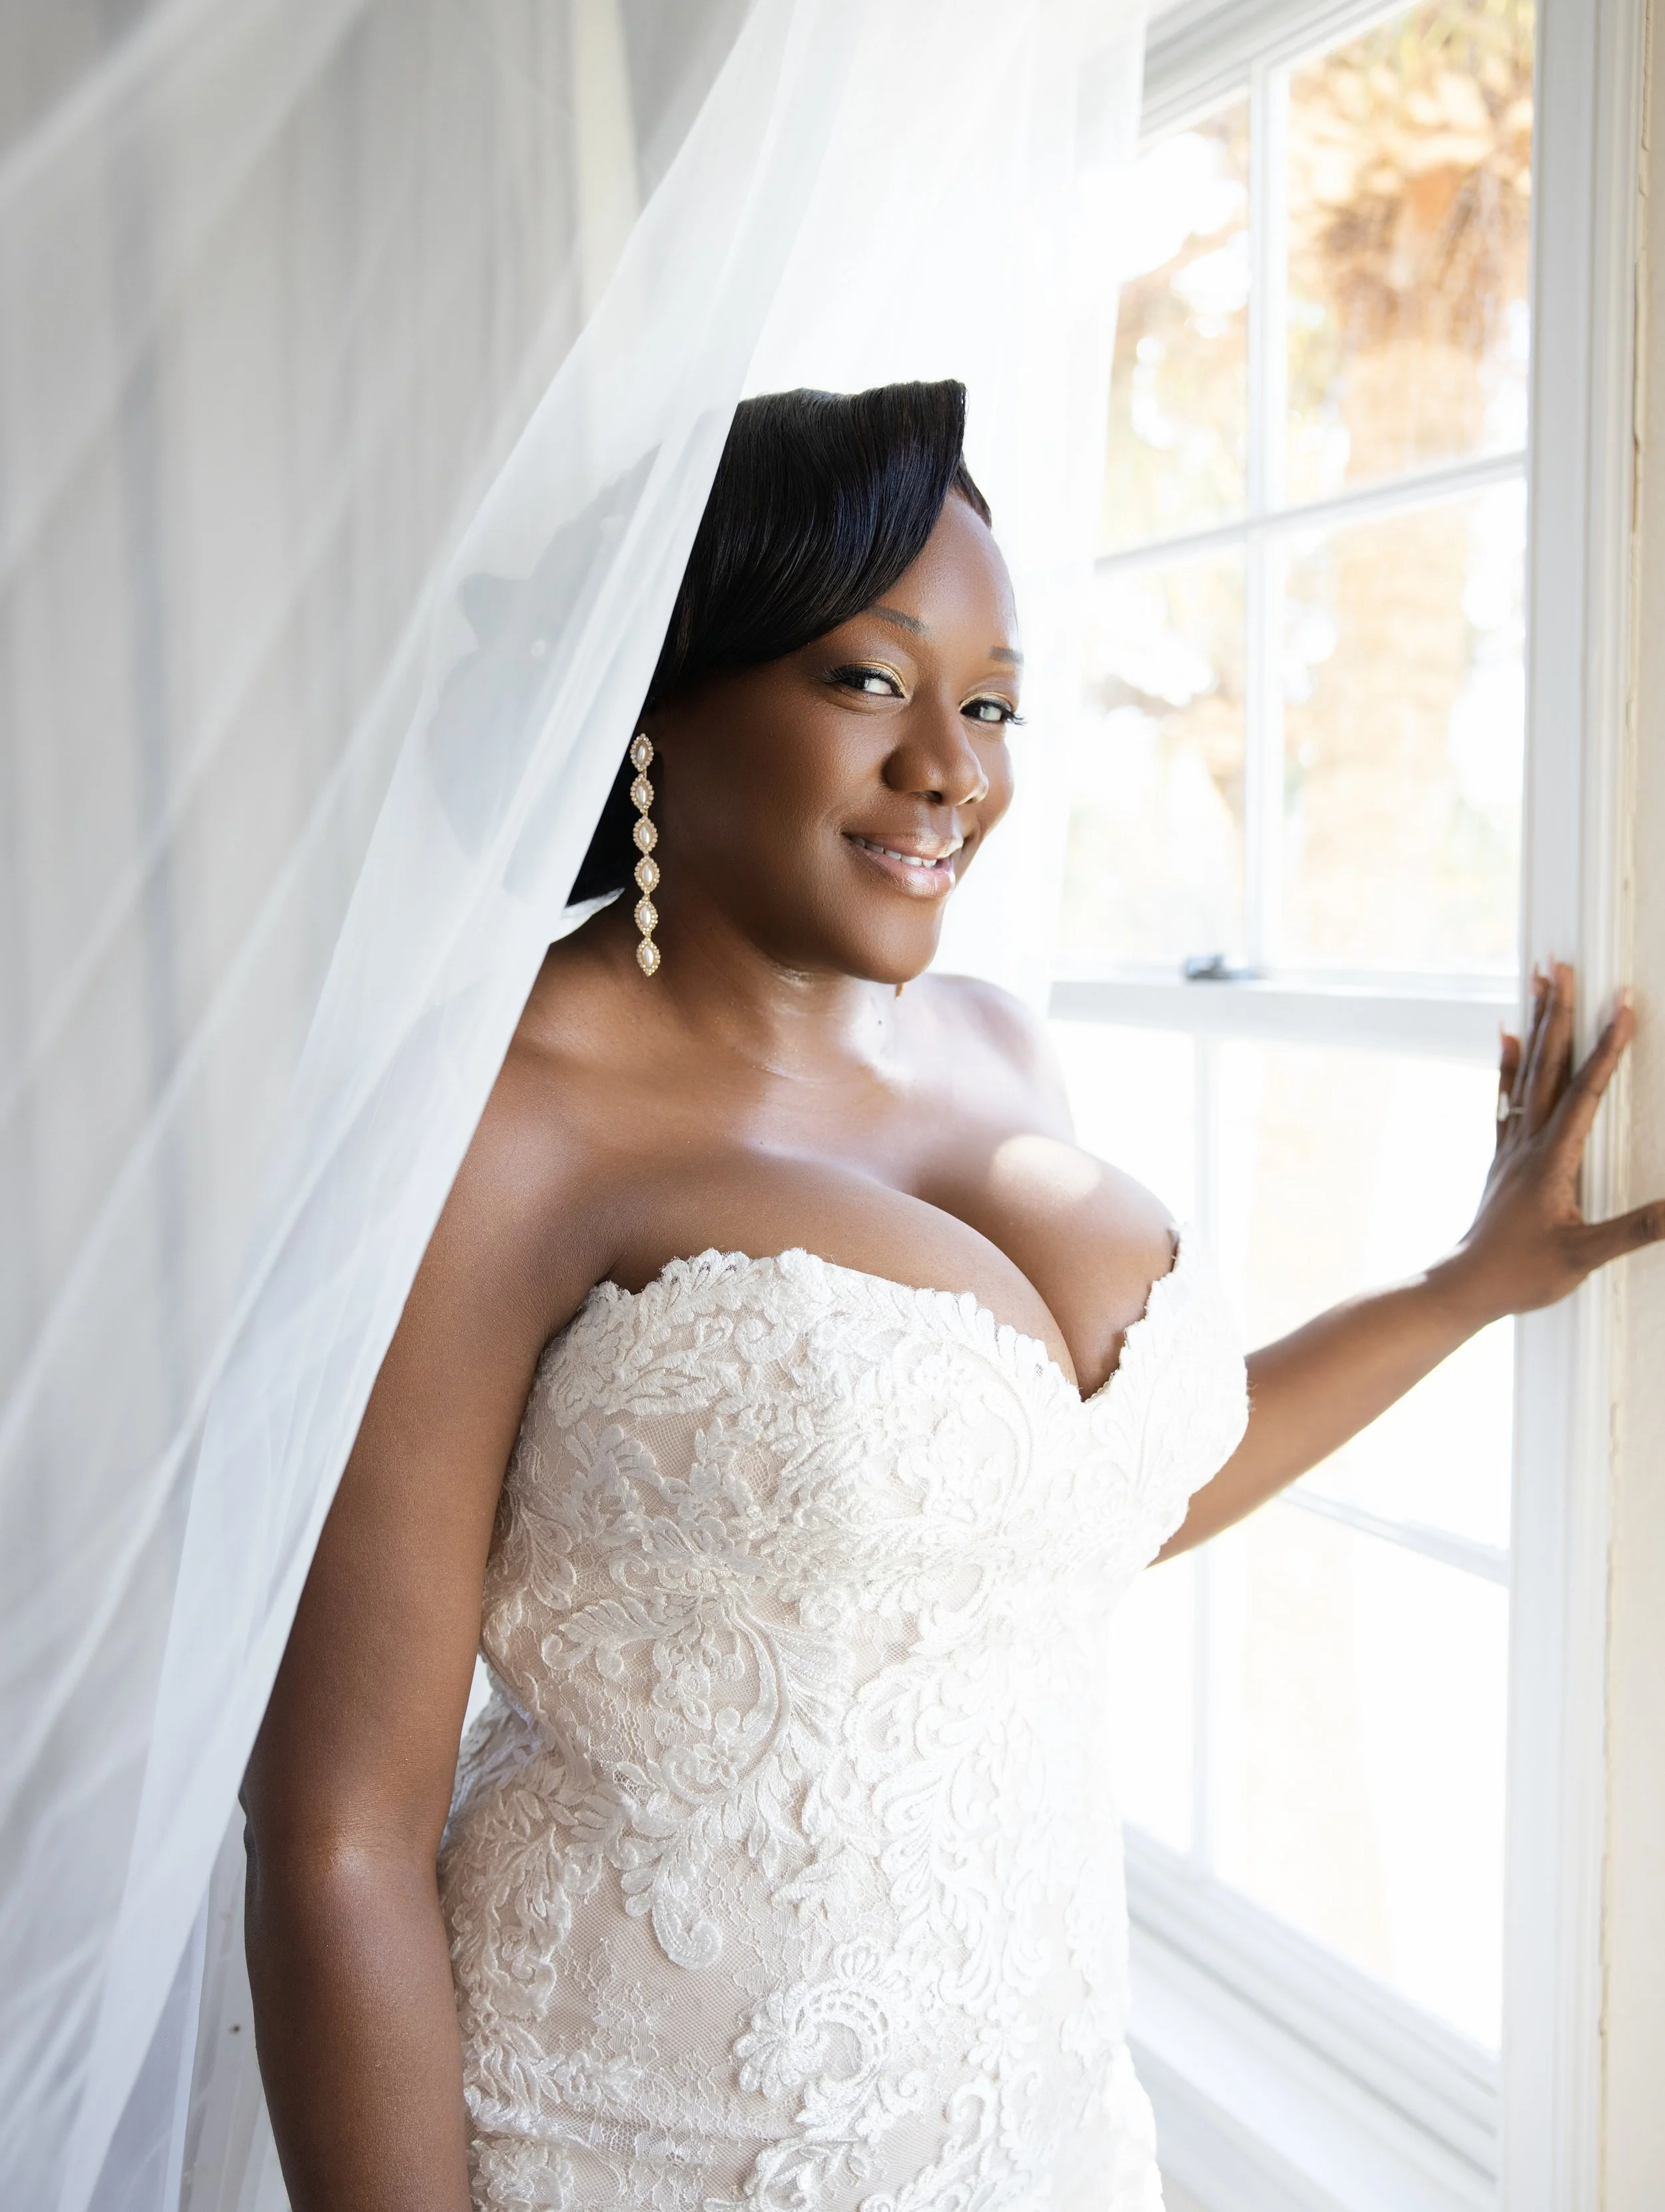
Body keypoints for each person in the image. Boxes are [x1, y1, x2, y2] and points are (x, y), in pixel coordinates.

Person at [241, 381, 1662, 2212]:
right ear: (656, 696)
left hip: (1044, 2122)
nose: (953, 769)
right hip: (644, 2144)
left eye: (990, 704)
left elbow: (1037, 1528)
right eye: (868, 682)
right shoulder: (498, 1121)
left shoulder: (994, 1050)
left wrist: (1461, 1288)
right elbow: (336, 1833)